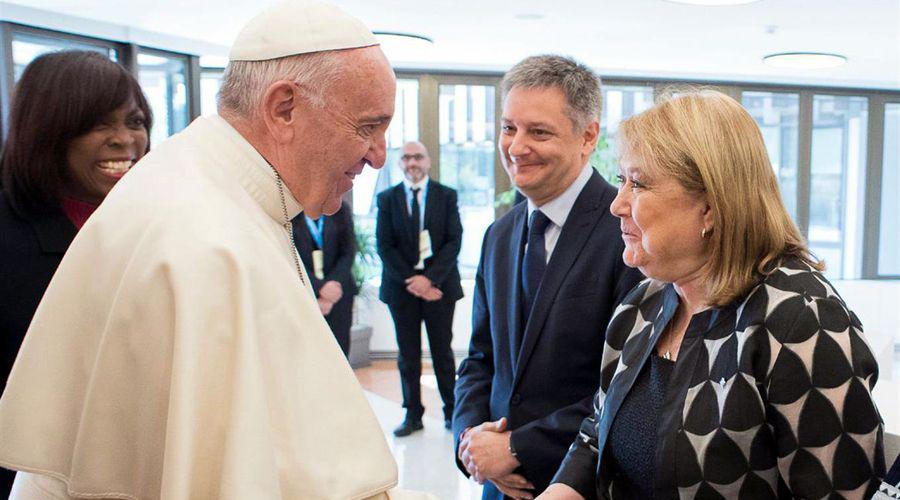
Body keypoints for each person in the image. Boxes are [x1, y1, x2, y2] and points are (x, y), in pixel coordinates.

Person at [0, 2, 428, 498]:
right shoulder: (205, 239)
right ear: (284, 107)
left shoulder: (213, 190)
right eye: (367, 127)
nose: (378, 155)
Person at [542, 90, 885, 499]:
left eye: (639, 183)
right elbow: (597, 433)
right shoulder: (643, 305)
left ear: (711, 207)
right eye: (621, 180)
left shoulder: (802, 321)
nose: (618, 204)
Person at [452, 55, 644, 499]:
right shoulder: (498, 236)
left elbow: (626, 385)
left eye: (538, 132)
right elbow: (480, 359)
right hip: (498, 484)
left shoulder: (629, 234)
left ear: (588, 136)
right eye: (508, 128)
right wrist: (472, 444)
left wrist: (517, 448)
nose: (517, 147)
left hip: (583, 481)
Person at [0, 50, 151, 496]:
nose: (125, 140)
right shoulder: (9, 236)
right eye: (99, 123)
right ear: (49, 132)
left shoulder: (151, 224)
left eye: (136, 121)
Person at [376, 140, 463, 436]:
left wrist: (430, 280)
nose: (412, 163)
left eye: (417, 157)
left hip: (439, 288)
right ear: (400, 163)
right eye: (406, 158)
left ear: (427, 161)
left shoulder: (446, 196)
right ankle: (412, 415)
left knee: (442, 352)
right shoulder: (387, 199)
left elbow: (454, 241)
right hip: (402, 290)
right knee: (408, 355)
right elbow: (384, 246)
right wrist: (413, 282)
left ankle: (452, 412)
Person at [292, 201, 357, 356]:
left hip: (339, 293)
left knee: (340, 352)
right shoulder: (291, 211)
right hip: (304, 292)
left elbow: (348, 251)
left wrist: (331, 289)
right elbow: (290, 254)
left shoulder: (340, 209)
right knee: (309, 353)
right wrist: (319, 287)